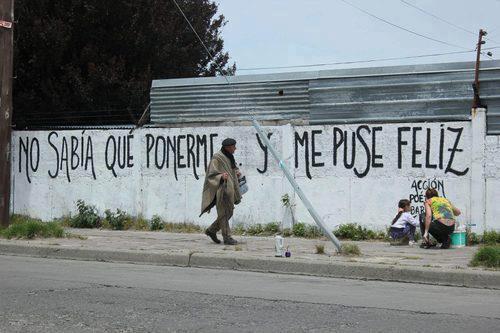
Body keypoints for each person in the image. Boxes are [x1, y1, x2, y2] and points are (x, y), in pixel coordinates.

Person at [200, 138, 242, 245]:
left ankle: (212, 230)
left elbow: (232, 168)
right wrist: (221, 176)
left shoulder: (229, 157)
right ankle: (227, 237)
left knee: (229, 212)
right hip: (221, 190)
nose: (235, 149)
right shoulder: (217, 158)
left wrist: (236, 172)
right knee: (224, 213)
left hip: (229, 190)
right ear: (228, 147)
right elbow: (211, 174)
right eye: (234, 146)